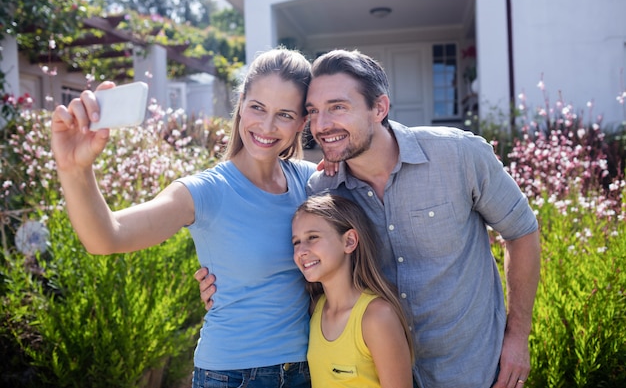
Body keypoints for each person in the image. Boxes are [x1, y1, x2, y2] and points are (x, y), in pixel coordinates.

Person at [197, 48, 541, 388]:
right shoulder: (324, 190)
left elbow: (522, 232)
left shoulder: (460, 155)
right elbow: (309, 269)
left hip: (472, 373)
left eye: (338, 108)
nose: (322, 125)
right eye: (313, 111)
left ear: (379, 108)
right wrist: (226, 282)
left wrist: (518, 336)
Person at [51, 47, 317, 388]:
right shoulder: (205, 191)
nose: (266, 125)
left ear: (301, 122)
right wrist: (74, 169)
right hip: (233, 375)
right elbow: (107, 237)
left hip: (306, 369)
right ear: (241, 105)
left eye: (284, 114)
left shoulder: (311, 182)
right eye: (257, 107)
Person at [291, 193, 414, 388]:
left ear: (349, 241)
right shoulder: (316, 309)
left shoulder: (377, 317)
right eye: (296, 242)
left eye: (312, 237)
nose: (301, 251)